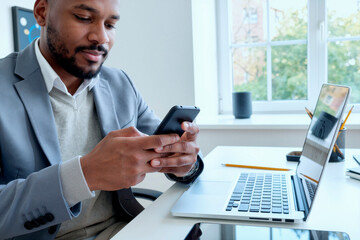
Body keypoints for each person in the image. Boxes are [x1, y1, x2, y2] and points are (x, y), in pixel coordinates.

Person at [0, 0, 203, 239]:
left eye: (110, 24)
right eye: (84, 18)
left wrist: (185, 164)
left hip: (121, 231)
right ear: (42, 12)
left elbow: (167, 146)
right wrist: (83, 175)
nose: (101, 37)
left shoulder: (120, 83)